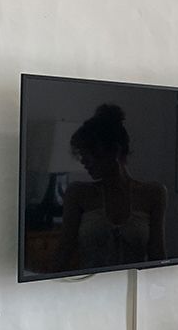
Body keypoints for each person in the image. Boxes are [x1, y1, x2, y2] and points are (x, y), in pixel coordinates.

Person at [53, 103, 167, 272]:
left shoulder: (154, 193)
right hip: (90, 286)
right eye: (81, 155)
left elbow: (158, 258)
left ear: (114, 151)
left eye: (88, 155)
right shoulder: (78, 193)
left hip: (137, 284)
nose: (83, 162)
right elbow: (63, 253)